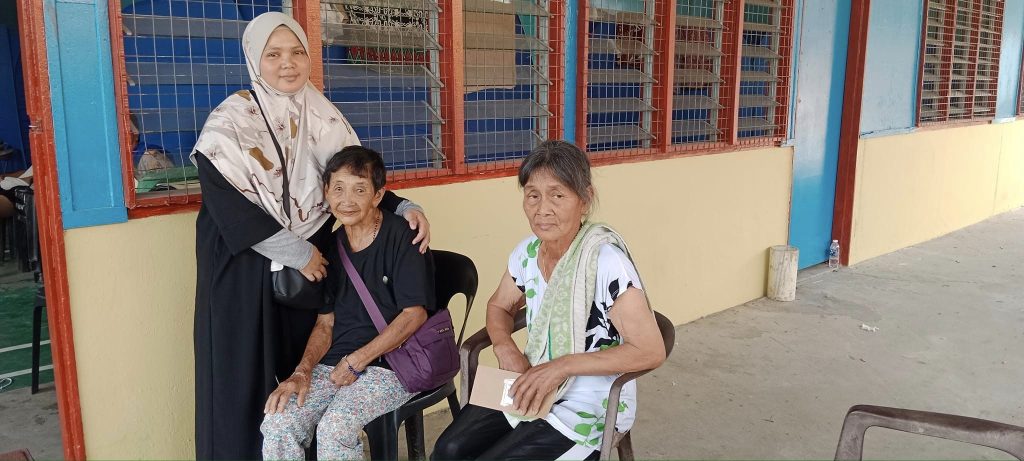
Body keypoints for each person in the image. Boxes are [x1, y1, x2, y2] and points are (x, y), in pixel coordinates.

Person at [189, 12, 431, 460]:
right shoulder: (229, 122)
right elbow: (230, 208)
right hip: (244, 270)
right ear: (254, 59)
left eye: (297, 52)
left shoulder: (321, 116)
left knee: (302, 369)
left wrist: (403, 206)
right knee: (242, 376)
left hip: (309, 272)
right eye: (274, 54)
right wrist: (297, 252)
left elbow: (355, 178)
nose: (288, 63)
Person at [431, 140, 667, 460]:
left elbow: (650, 351)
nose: (542, 209)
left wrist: (561, 367)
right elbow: (499, 306)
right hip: (532, 375)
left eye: (557, 195)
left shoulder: (605, 263)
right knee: (448, 450)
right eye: (533, 195)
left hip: (590, 401)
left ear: (585, 200)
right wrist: (505, 347)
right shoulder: (527, 253)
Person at [261, 145, 436, 459]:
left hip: (391, 364)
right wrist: (302, 371)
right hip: (333, 364)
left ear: (378, 196)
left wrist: (357, 360)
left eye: (359, 189)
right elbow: (325, 322)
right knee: (279, 421)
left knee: (335, 427)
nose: (347, 200)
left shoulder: (403, 236)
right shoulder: (330, 246)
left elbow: (414, 314)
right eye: (338, 189)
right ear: (326, 192)